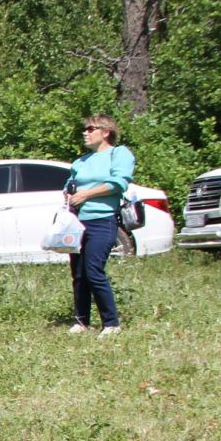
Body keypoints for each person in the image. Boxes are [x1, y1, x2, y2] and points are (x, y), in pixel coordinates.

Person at [65, 114, 133, 336]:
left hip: (103, 220)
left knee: (94, 270)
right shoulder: (80, 161)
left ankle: (111, 324)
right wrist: (69, 192)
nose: (85, 132)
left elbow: (118, 182)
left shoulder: (118, 153)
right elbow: (69, 185)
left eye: (90, 128)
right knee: (79, 273)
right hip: (78, 223)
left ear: (106, 132)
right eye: (84, 128)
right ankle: (81, 321)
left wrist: (87, 194)